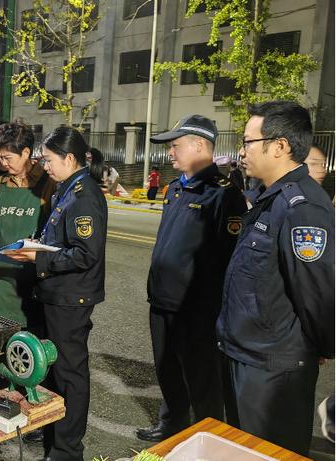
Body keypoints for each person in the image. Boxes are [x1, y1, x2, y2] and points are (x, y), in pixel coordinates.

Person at [217, 101, 334, 456]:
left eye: (249, 142)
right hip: (247, 357)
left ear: (280, 146)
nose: (242, 151)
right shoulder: (270, 199)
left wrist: (320, 347)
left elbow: (319, 293)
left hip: (273, 371)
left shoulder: (303, 208)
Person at [135, 115, 247, 443]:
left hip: (195, 307)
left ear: (200, 145)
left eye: (175, 145)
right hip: (163, 299)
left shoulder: (223, 194)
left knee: (201, 377)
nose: (170, 153)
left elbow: (226, 259)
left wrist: (209, 306)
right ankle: (173, 424)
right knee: (167, 368)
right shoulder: (175, 188)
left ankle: (209, 437)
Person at [10, 127, 107, 461]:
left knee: (70, 374)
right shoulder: (68, 189)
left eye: (49, 160)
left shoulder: (84, 195)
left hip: (71, 298)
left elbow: (85, 253)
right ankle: (54, 437)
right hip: (56, 294)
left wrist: (39, 256)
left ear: (69, 158)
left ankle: (67, 450)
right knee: (54, 371)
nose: (45, 166)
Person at [0, 122, 56, 326]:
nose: (3, 163)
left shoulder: (47, 183)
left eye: (8, 158)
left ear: (26, 153)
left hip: (30, 279)